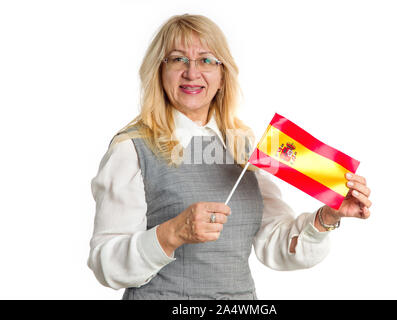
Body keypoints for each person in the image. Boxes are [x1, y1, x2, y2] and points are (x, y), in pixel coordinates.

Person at [88, 14, 372, 300]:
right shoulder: (132, 148)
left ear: (222, 76)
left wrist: (326, 216)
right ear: (159, 72)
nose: (192, 72)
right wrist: (173, 233)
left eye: (207, 60)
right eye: (177, 59)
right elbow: (105, 264)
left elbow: (275, 244)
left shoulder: (242, 145)